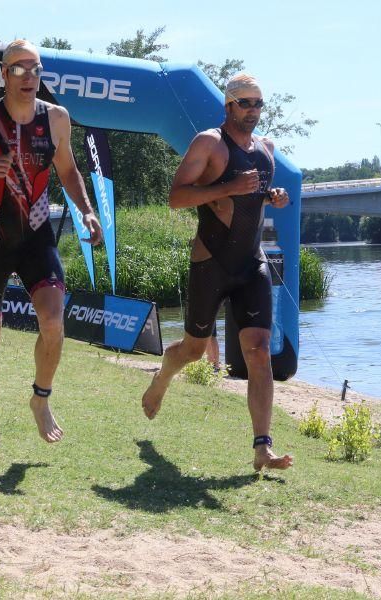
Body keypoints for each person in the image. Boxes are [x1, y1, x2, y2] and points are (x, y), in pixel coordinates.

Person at [0, 39, 103, 447]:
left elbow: (68, 172)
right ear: (3, 74)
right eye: (19, 68)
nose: (29, 75)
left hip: (35, 236)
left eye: (35, 68)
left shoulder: (56, 119)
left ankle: (41, 398)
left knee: (53, 320)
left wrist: (86, 209)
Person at [139, 73, 293, 471]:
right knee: (193, 351)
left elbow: (252, 197)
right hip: (211, 263)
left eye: (259, 103)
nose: (254, 111)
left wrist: (272, 196)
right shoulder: (209, 143)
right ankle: (162, 378)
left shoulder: (266, 149)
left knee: (259, 354)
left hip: (251, 265)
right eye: (246, 103)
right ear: (228, 106)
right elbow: (176, 197)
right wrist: (228, 188)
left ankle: (263, 448)